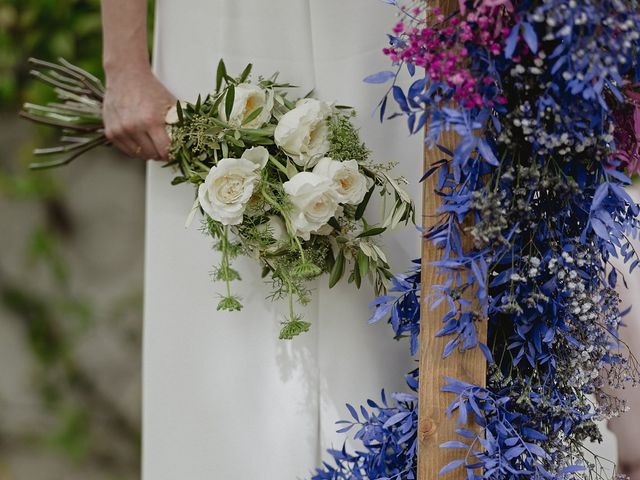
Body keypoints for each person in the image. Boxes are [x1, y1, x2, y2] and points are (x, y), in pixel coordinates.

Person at [100, 1, 422, 478]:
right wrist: (123, 64)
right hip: (222, 23)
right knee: (224, 318)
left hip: (386, 29)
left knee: (398, 262)